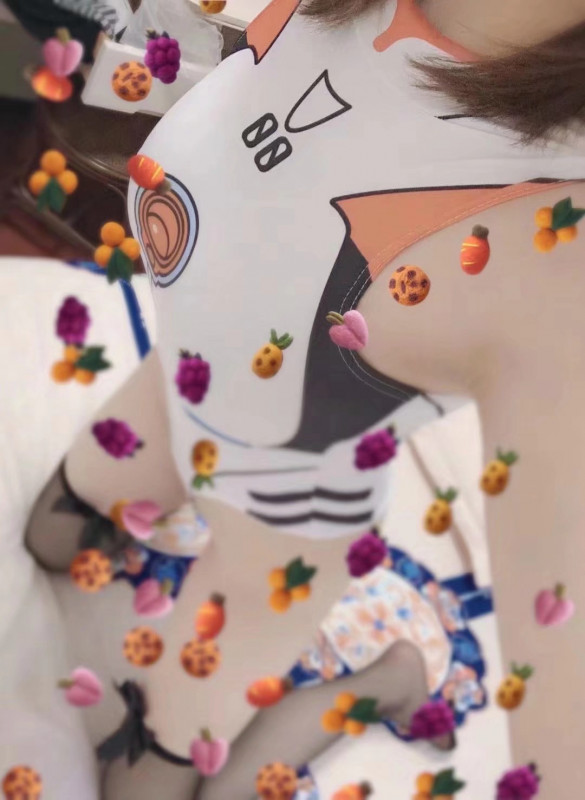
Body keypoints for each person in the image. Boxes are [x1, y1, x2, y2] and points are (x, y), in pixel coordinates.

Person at [26, 0, 585, 797]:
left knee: (138, 782)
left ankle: (386, 677)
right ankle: (381, 674)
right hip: (219, 376)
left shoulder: (554, 258)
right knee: (61, 539)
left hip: (271, 454)